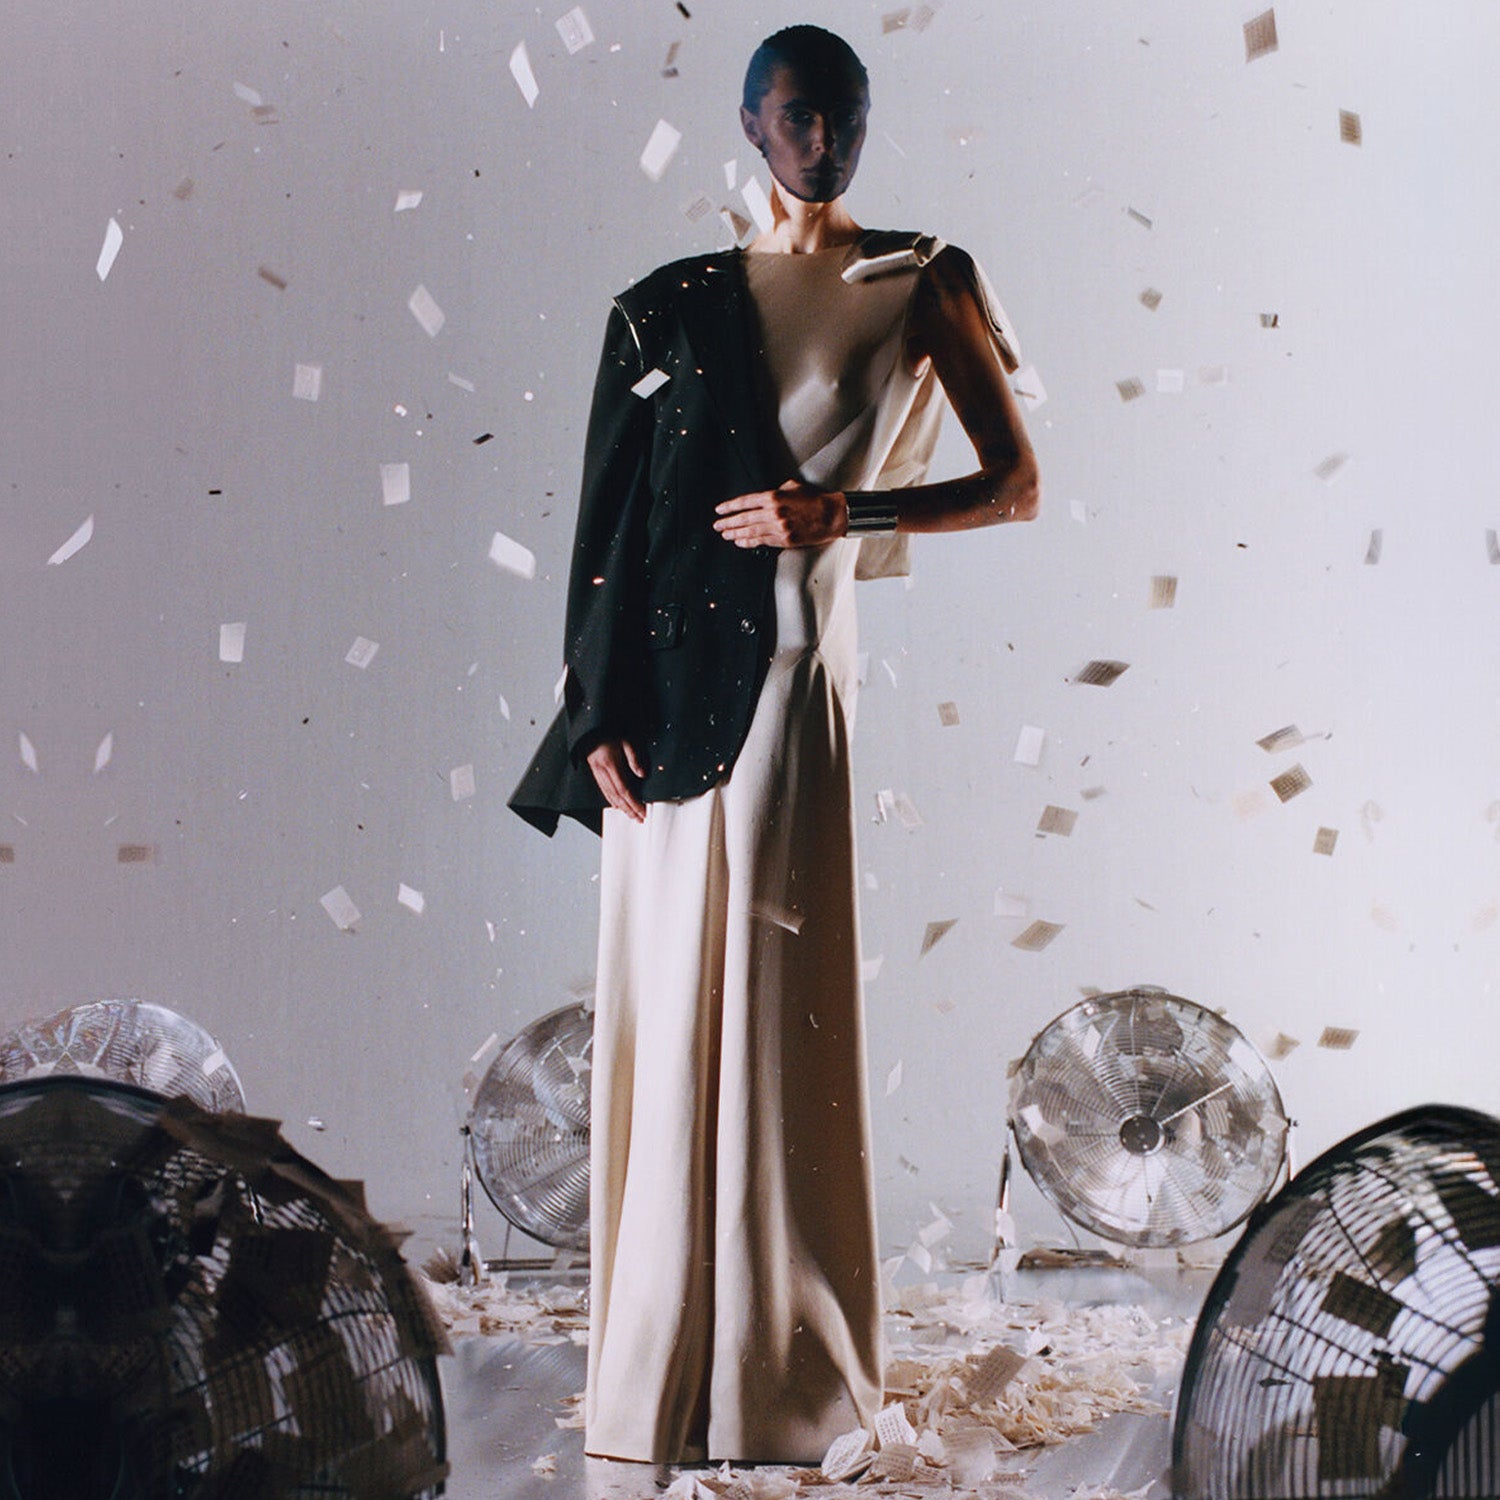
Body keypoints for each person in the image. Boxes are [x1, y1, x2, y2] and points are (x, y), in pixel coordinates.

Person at [509, 24, 1039, 1466]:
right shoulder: (668, 304)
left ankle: (780, 1374)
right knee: (674, 1001)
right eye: (799, 115)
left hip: (800, 685)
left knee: (770, 1004)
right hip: (669, 696)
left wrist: (845, 514)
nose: (825, 140)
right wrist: (591, 714)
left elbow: (1014, 483)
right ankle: (662, 1368)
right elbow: (611, 529)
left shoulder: (918, 279)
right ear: (751, 125)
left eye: (846, 115)